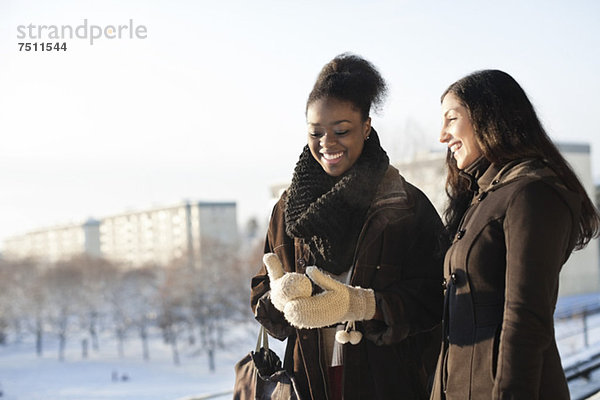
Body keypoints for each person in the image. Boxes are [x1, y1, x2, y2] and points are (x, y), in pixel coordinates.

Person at [250, 53, 446, 400]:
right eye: (316, 132)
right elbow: (261, 292)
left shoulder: (404, 205)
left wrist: (362, 306)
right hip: (308, 383)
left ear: (366, 127)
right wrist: (277, 298)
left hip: (388, 383)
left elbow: (436, 300)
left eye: (342, 130)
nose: (327, 143)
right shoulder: (287, 208)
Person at [430, 69, 600, 400]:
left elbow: (526, 317)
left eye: (451, 119)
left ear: (488, 117)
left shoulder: (532, 193)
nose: (442, 135)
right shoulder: (482, 197)